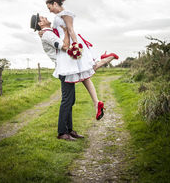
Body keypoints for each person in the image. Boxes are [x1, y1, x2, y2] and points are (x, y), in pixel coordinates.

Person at [30, 13, 117, 141]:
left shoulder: (48, 32)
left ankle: (69, 130)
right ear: (40, 23)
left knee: (70, 100)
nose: (45, 17)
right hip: (63, 69)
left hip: (66, 68)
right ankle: (62, 132)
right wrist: (66, 32)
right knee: (67, 101)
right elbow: (64, 46)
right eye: (42, 18)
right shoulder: (47, 34)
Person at [45, 0, 119, 118]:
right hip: (65, 46)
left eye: (50, 7)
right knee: (84, 74)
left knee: (84, 71)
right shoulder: (59, 16)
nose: (50, 11)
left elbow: (71, 30)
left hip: (71, 45)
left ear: (55, 4)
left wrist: (76, 46)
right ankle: (97, 103)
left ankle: (107, 58)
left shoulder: (66, 13)